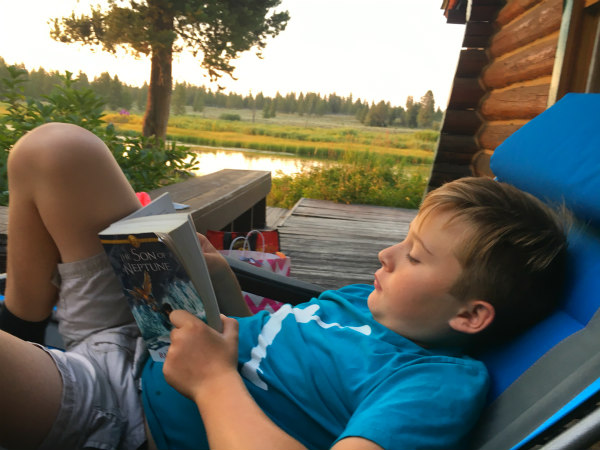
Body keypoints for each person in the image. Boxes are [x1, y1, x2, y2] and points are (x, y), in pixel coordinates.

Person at [0, 122, 568, 450]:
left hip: (127, 410)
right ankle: (22, 327)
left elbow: (233, 377)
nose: (386, 255)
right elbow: (266, 347)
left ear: (470, 315)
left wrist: (212, 381)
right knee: (56, 151)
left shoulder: (431, 384)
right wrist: (218, 282)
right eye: (403, 239)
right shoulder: (366, 303)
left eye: (415, 256)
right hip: (155, 327)